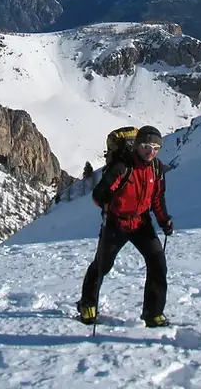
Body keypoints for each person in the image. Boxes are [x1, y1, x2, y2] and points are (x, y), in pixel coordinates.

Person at [77, 125, 174, 327]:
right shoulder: (122, 166)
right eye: (147, 146)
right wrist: (106, 203)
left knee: (157, 262)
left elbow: (157, 198)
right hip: (116, 222)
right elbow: (98, 195)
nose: (151, 152)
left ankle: (153, 313)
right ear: (137, 145)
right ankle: (87, 305)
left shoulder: (156, 169)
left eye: (156, 148)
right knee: (102, 264)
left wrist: (164, 220)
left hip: (141, 222)